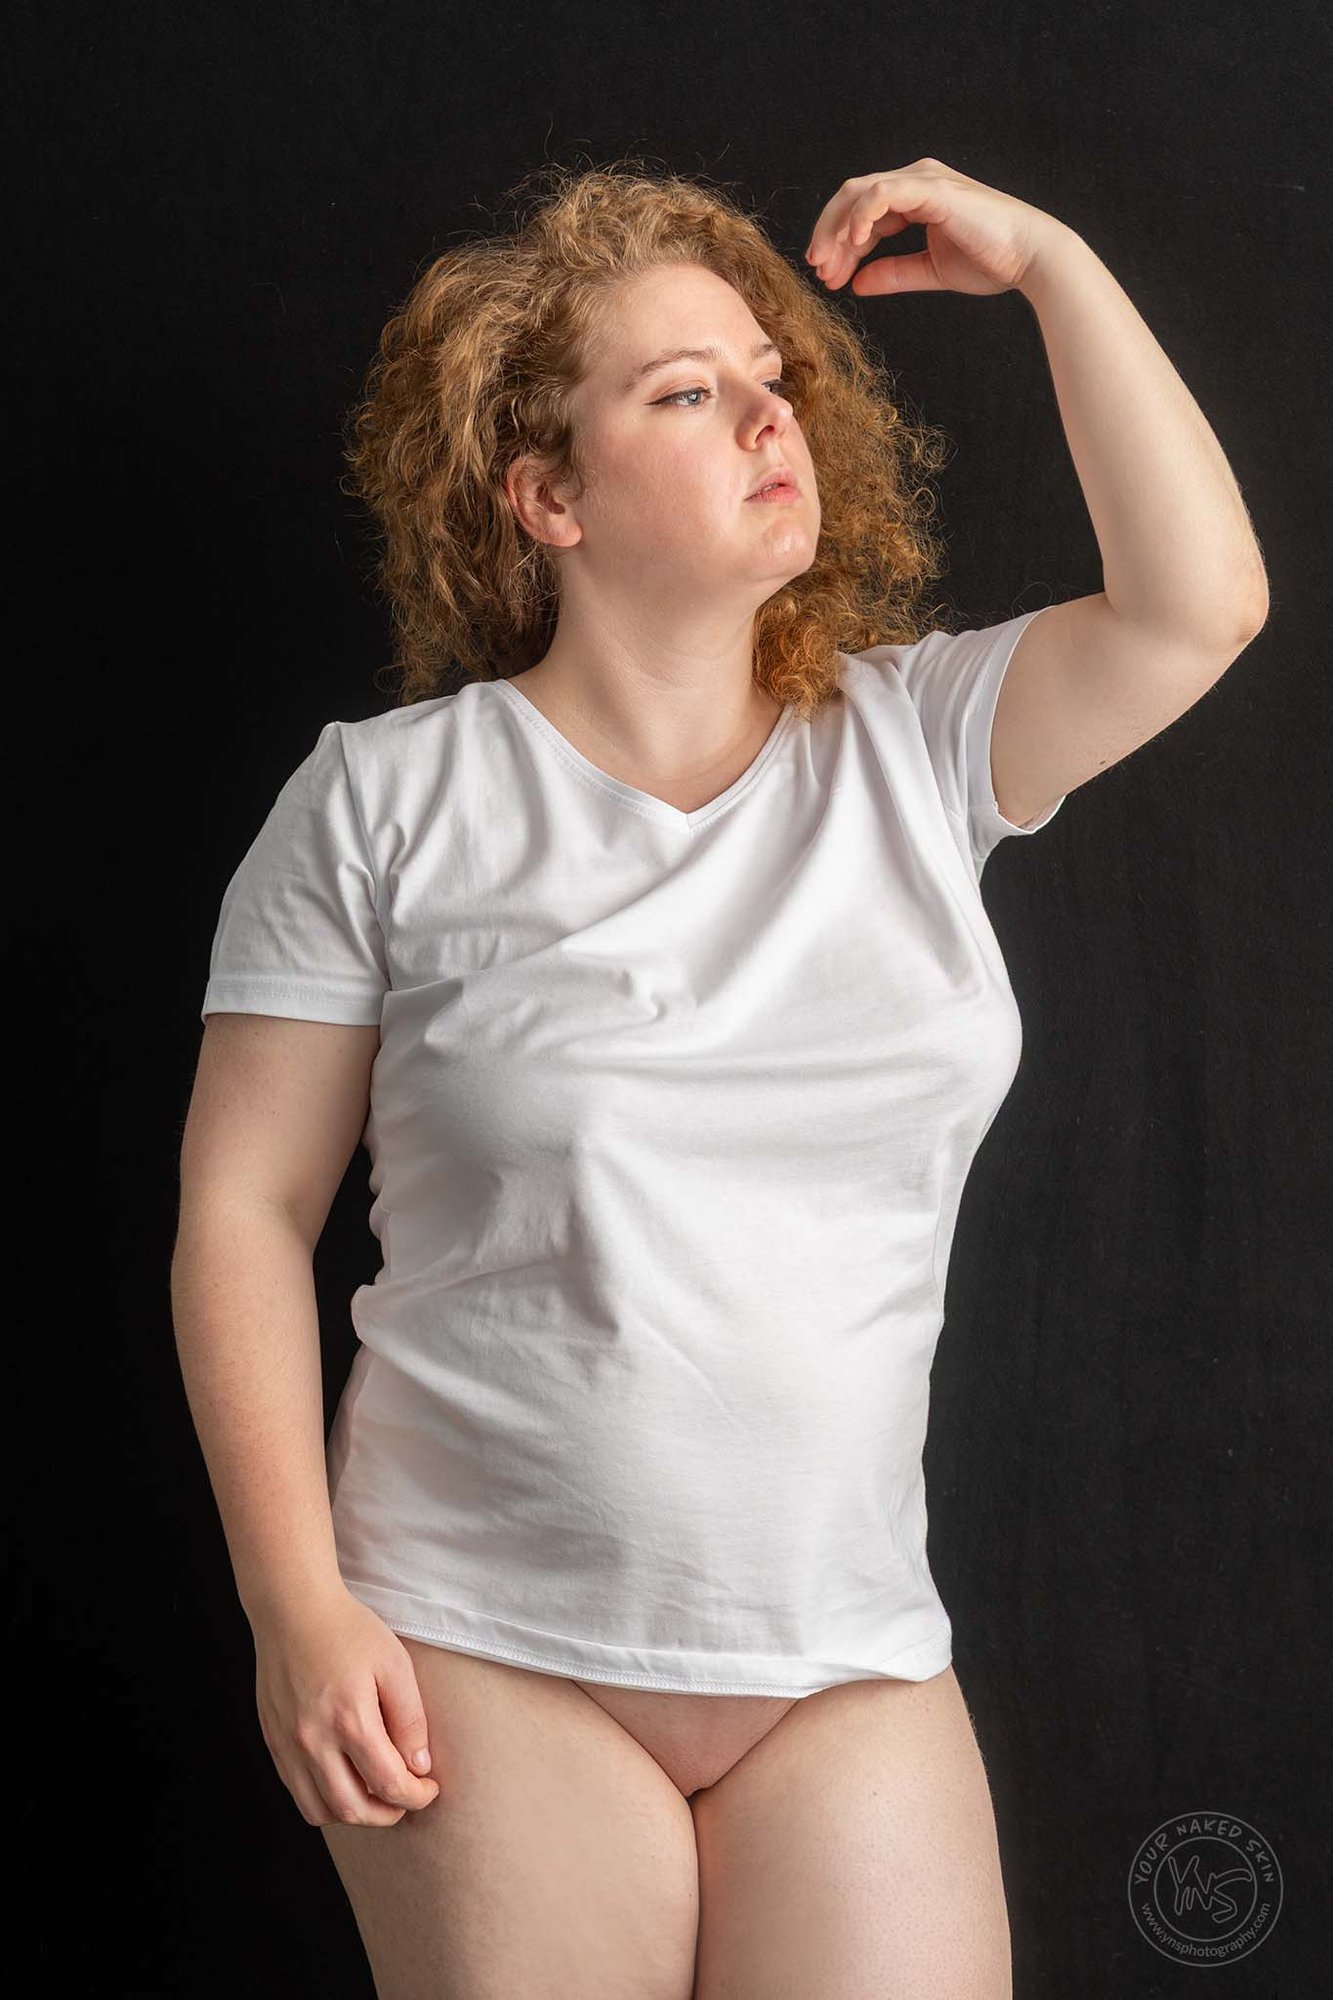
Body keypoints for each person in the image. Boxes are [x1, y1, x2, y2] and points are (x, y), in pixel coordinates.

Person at [171, 157, 1266, 1998]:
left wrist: (1056, 267)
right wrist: (296, 1604)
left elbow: (1194, 610)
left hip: (840, 1657)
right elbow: (240, 1207)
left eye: (774, 374)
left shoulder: (914, 745)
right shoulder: (382, 797)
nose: (772, 410)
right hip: (483, 1640)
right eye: (686, 391)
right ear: (545, 495)